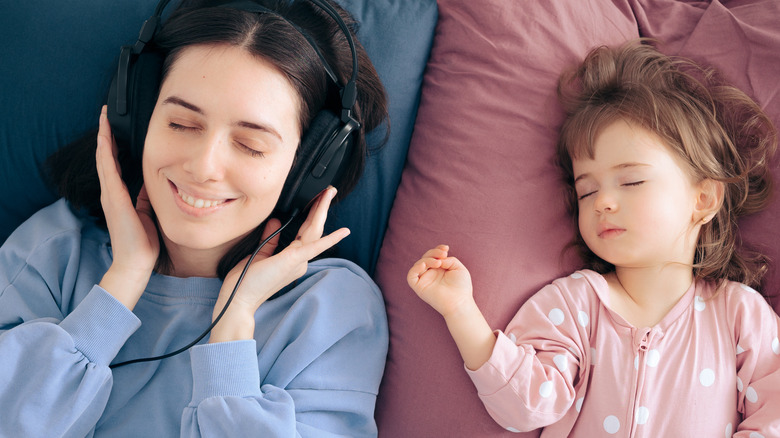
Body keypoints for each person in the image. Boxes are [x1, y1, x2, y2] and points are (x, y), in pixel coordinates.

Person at [0, 0, 389, 436]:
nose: (203, 167)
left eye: (250, 145)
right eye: (182, 124)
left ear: (310, 166)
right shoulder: (53, 251)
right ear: (141, 118)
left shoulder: (330, 311)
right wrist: (118, 286)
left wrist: (233, 324)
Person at [408, 40, 780, 436]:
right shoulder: (573, 303)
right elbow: (524, 407)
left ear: (703, 198)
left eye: (631, 180)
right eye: (586, 191)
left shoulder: (740, 315)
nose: (603, 201)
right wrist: (461, 311)